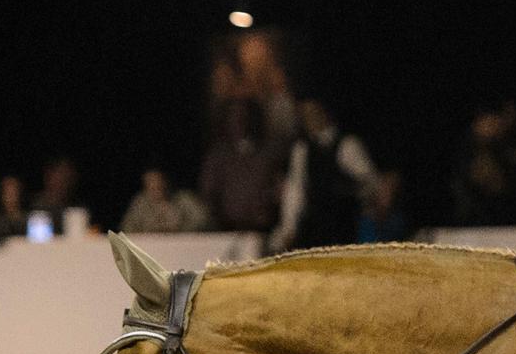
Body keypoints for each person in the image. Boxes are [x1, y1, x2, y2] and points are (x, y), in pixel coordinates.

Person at [270, 99, 377, 252]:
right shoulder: (302, 149)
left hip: (345, 224)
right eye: (306, 115)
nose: (310, 119)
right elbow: (296, 190)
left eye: (315, 113)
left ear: (326, 113)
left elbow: (369, 181)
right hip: (315, 225)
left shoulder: (347, 145)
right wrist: (289, 228)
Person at [199, 99, 282, 233]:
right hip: (226, 231)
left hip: (261, 230)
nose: (240, 122)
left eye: (244, 116)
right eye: (235, 116)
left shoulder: (270, 155)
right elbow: (208, 193)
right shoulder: (218, 156)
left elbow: (279, 190)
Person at [119, 169, 211, 233]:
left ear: (166, 182)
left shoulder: (183, 199)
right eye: (151, 185)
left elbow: (202, 220)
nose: (156, 188)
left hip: (182, 244)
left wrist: (181, 230)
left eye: (159, 183)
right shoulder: (140, 203)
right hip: (151, 246)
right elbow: (127, 227)